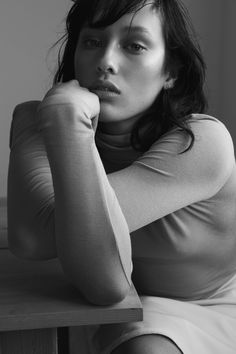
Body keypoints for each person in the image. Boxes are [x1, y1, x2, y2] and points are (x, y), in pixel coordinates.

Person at [7, 0, 236, 353]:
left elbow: (106, 283)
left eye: (134, 46)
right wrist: (48, 126)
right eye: (93, 42)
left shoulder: (203, 143)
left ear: (171, 70)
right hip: (101, 308)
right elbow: (31, 241)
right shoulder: (51, 122)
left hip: (204, 311)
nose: (106, 62)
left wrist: (67, 124)